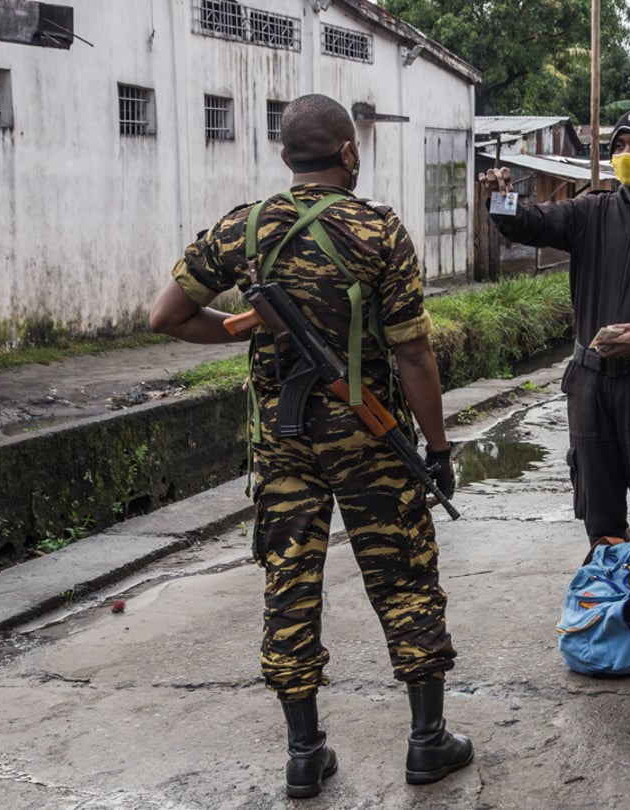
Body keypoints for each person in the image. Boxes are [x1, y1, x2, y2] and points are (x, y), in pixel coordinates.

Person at [148, 94, 472, 798]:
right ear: (347, 154)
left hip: (283, 444)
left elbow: (166, 316)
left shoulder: (245, 228)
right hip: (371, 441)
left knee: (289, 587)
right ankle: (426, 743)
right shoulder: (379, 229)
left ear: (287, 156)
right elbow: (413, 352)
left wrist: (242, 328)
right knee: (403, 578)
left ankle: (304, 754)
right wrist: (438, 449)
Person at [478, 107, 630, 671]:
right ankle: (612, 627)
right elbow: (529, 223)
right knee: (601, 512)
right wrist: (500, 199)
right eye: (620, 142)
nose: (626, 152)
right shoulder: (590, 214)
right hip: (589, 386)